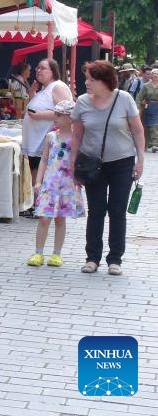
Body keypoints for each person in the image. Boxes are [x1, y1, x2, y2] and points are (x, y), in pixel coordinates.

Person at [71, 60, 146, 275]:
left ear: (104, 81)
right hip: (92, 164)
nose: (86, 83)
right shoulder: (82, 102)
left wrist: (140, 160)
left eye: (90, 79)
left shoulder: (124, 99)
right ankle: (92, 258)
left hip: (122, 162)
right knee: (96, 210)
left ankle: (115, 259)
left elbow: (138, 131)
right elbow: (77, 136)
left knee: (117, 210)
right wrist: (72, 163)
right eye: (86, 78)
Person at [26, 100, 84, 268]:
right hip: (50, 183)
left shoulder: (77, 138)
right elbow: (44, 159)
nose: (55, 117)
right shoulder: (51, 136)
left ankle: (56, 253)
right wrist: (38, 181)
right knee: (44, 218)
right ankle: (38, 252)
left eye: (58, 114)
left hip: (67, 184)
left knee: (60, 219)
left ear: (69, 117)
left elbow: (79, 160)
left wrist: (79, 178)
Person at [21, 58, 73, 217]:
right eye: (37, 68)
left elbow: (67, 111)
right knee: (35, 170)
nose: (38, 71)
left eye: (43, 68)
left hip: (46, 139)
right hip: (36, 140)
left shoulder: (58, 87)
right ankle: (37, 205)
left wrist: (40, 115)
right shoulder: (45, 88)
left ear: (53, 71)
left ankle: (42, 206)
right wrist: (32, 94)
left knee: (42, 171)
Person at [135, 69, 158, 153]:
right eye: (154, 73)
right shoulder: (146, 86)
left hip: (157, 108)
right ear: (151, 75)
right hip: (147, 107)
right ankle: (145, 144)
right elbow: (139, 97)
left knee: (155, 125)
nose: (155, 75)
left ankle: (155, 144)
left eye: (157, 74)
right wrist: (137, 108)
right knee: (146, 125)